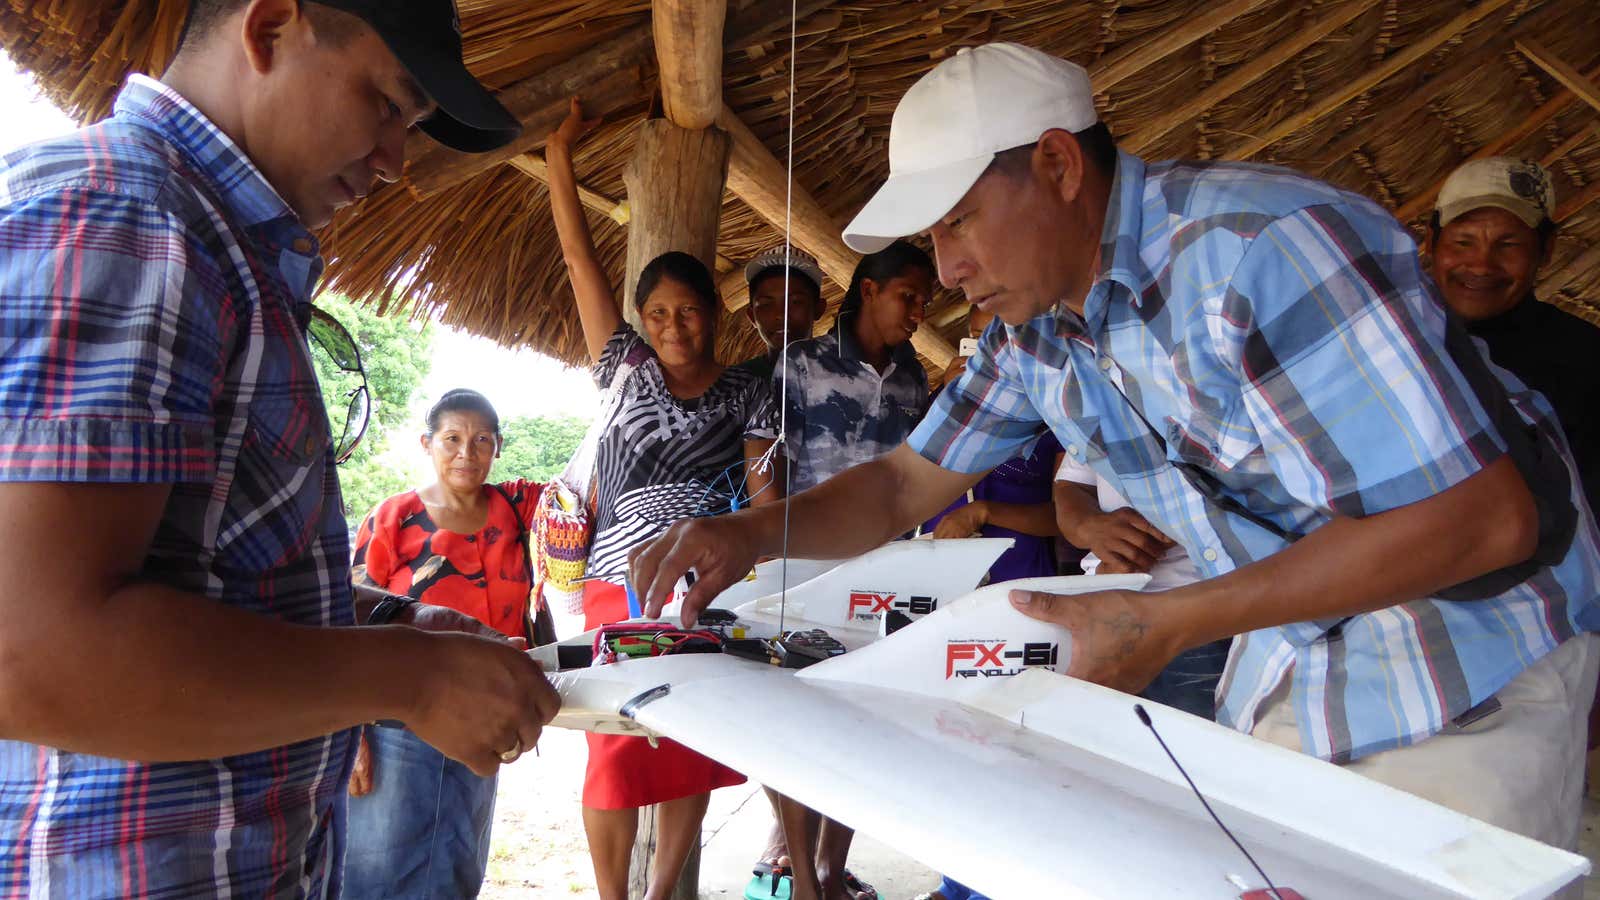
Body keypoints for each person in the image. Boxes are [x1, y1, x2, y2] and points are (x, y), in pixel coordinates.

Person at [630, 41, 1600, 860]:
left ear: (1057, 165)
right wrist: (750, 534)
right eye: (934, 236)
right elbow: (902, 482)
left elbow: (1484, 518)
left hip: (1468, 662)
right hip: (1298, 660)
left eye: (959, 220)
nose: (948, 267)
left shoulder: (1260, 248)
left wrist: (1169, 623)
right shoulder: (1033, 335)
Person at [0, 1, 560, 897]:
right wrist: (404, 677)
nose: (394, 160)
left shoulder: (212, 247)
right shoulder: (128, 215)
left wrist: (389, 620)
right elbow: (31, 655)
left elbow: (209, 574)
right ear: (269, 28)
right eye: (385, 103)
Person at [545, 97, 782, 900]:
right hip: (619, 578)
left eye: (687, 311)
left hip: (703, 581)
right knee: (613, 744)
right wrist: (558, 159)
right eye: (658, 315)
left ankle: (662, 893)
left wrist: (753, 558)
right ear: (641, 323)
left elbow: (764, 493)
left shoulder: (750, 392)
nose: (674, 327)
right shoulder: (624, 369)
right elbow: (580, 261)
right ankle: (615, 897)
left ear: (713, 315)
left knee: (688, 739)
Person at [344, 390, 550, 899]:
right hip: (398, 722)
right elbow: (344, 627)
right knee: (378, 873)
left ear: (498, 447)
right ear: (427, 443)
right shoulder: (393, 518)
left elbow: (591, 482)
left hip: (486, 718)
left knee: (456, 868)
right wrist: (351, 736)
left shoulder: (517, 510)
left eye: (482, 440)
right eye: (453, 439)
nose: (467, 452)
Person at [1426, 158, 1600, 516]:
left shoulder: (1587, 361)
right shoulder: (1394, 337)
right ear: (1431, 242)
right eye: (1463, 242)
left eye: (1508, 245)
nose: (1481, 265)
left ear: (1546, 250)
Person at [921, 305, 1063, 580]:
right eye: (977, 337)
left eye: (1000, 340)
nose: (988, 351)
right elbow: (912, 473)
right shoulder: (947, 403)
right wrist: (945, 396)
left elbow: (1063, 518)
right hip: (941, 576)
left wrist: (984, 512)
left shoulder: (1057, 414)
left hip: (1017, 577)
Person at [736, 245, 827, 381]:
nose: (781, 314)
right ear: (751, 316)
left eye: (795, 302)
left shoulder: (848, 380)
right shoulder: (736, 384)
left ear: (819, 308)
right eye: (766, 304)